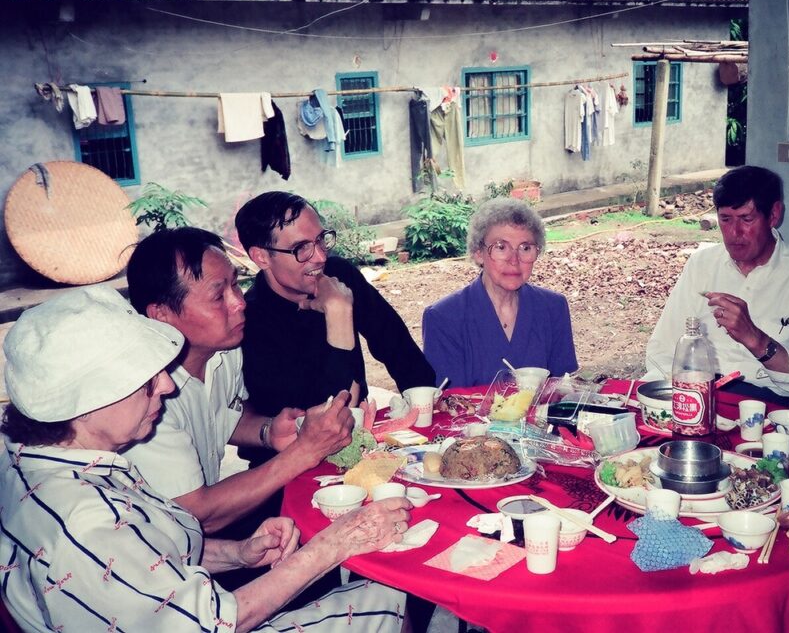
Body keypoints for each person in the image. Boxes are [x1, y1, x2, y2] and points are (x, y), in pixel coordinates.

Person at [0, 285, 410, 633]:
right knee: (394, 597)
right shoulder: (83, 520)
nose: (164, 383)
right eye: (144, 379)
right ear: (84, 403)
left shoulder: (57, 462)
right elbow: (212, 622)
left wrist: (238, 552)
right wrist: (334, 545)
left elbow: (141, 567)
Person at [123, 227, 355, 537]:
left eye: (236, 284)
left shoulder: (225, 352)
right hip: (155, 553)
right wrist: (303, 451)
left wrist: (267, 431)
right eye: (219, 295)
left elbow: (225, 413)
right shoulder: (141, 395)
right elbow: (197, 515)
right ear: (161, 315)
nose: (239, 303)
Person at [236, 191, 435, 468]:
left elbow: (396, 345)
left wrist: (425, 403)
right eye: (301, 248)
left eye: (321, 240)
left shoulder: (338, 274)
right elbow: (327, 417)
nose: (319, 257)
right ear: (261, 257)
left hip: (359, 449)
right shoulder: (251, 321)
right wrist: (340, 313)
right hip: (287, 470)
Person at [644, 165, 789, 398]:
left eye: (746, 219)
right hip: (698, 393)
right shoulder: (701, 264)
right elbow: (661, 350)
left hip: (768, 404)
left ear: (774, 215)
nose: (734, 232)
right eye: (725, 219)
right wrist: (680, 393)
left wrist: (754, 338)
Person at [422, 197, 578, 387]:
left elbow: (564, 391)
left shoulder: (553, 307)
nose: (514, 260)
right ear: (479, 252)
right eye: (501, 247)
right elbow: (450, 405)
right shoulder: (443, 318)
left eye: (525, 248)